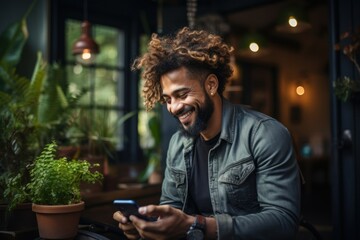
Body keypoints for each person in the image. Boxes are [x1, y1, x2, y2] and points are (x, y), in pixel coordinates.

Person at [113, 27, 301, 240]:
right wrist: (145, 225)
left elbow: (283, 222)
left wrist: (197, 225)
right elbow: (171, 206)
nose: (174, 107)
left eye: (182, 94)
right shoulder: (177, 143)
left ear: (211, 85)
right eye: (168, 99)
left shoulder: (265, 134)